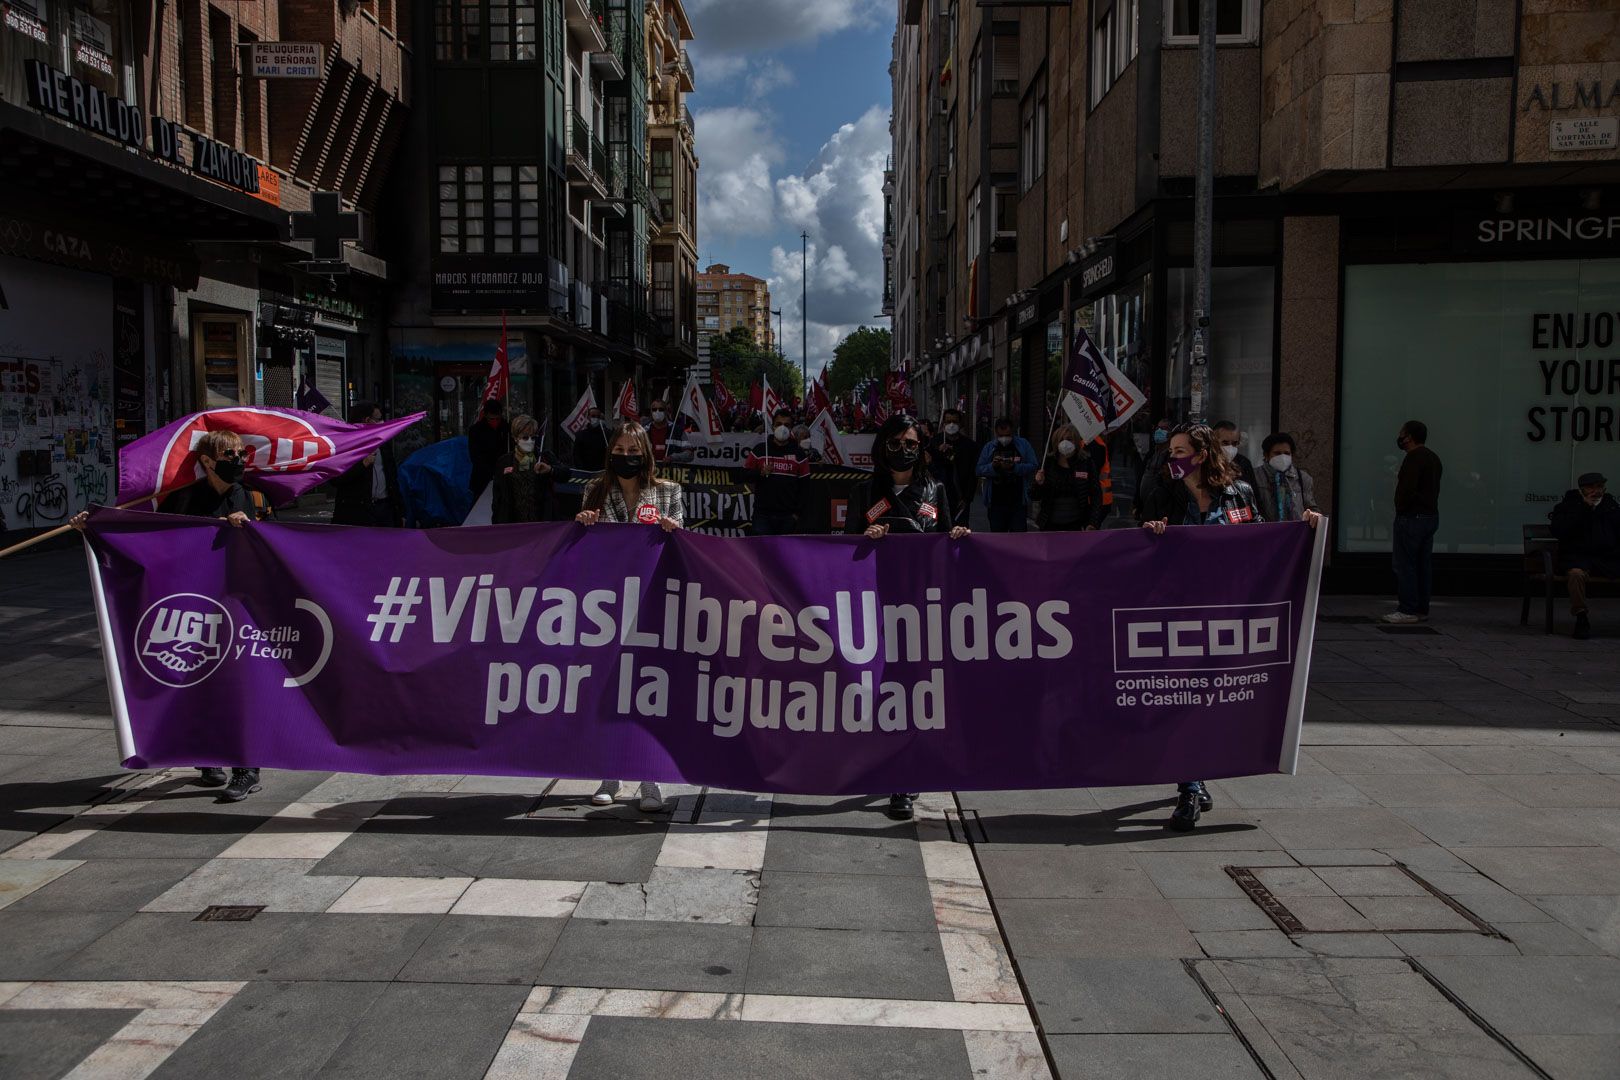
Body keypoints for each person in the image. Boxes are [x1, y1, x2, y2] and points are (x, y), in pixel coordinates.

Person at [1140, 423, 1322, 830]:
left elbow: (1260, 539)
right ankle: (1190, 786)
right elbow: (1142, 552)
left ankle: (1197, 776)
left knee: (1212, 698)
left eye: (1180, 450)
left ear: (1202, 454)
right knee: (1184, 699)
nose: (1173, 458)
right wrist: (1151, 535)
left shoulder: (1238, 492)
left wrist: (1304, 528)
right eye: (1171, 451)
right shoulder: (1163, 492)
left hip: (1227, 615)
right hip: (1179, 617)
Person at [70, 429, 265, 803]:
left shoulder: (249, 496)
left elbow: (264, 547)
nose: (238, 460)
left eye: (242, 453)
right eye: (230, 454)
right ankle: (209, 758)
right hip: (193, 605)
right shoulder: (185, 498)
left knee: (240, 688)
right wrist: (94, 525)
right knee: (198, 681)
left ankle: (246, 768)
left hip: (237, 606)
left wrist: (248, 529)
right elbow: (149, 538)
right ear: (207, 461)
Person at [845, 412, 970, 821]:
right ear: (883, 446)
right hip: (878, 603)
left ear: (921, 448)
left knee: (915, 686)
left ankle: (905, 774)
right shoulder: (866, 492)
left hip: (920, 606)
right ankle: (883, 761)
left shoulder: (935, 487)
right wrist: (867, 539)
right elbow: (845, 549)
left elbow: (948, 537)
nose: (904, 449)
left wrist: (958, 539)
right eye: (896, 442)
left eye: (912, 442)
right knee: (882, 686)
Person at [574, 421, 683, 812]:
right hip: (607, 608)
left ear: (645, 454)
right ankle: (610, 772)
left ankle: (649, 779)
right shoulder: (595, 490)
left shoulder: (669, 491)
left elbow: (683, 544)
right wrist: (584, 523)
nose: (625, 457)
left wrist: (674, 530)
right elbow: (581, 550)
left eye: (631, 450)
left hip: (652, 605)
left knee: (649, 693)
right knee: (609, 690)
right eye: (618, 450)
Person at [1383, 420, 1442, 625]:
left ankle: (1407, 608)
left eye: (1402, 434)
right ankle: (1421, 608)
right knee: (1422, 565)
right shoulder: (1433, 458)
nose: (1400, 438)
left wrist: (1400, 508)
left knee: (1405, 564)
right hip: (1429, 517)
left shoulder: (1413, 458)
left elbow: (1407, 490)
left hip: (1411, 518)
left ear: (1409, 436)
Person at [1549, 472, 1619, 641]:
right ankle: (1581, 616)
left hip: (1607, 558)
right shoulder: (1568, 506)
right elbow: (1560, 531)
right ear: (1582, 490)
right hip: (1577, 557)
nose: (1596, 491)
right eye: (1591, 487)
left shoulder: (1611, 506)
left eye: (1599, 487)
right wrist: (1584, 509)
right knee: (1575, 575)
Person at [332, 401, 400, 527]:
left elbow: (392, 475)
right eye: (378, 419)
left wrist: (400, 510)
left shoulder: (383, 443)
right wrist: (363, 464)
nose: (382, 423)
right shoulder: (346, 445)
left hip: (385, 508)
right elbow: (336, 478)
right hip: (358, 511)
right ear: (367, 420)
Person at [746, 408, 813, 535]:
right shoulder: (760, 450)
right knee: (762, 553)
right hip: (762, 516)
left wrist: (796, 514)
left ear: (791, 428)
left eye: (786, 425)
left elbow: (805, 488)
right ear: (772, 426)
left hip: (788, 517)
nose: (782, 428)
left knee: (785, 554)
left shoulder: (799, 455)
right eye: (778, 424)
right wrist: (760, 472)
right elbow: (743, 475)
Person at [1032, 425, 1105, 531]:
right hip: (1049, 526)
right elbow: (1033, 495)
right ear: (1055, 442)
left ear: (1076, 441)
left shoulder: (1086, 462)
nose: (1065, 443)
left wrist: (1093, 522)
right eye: (1061, 439)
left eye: (1069, 439)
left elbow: (1096, 494)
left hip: (1076, 526)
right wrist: (1038, 484)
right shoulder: (1047, 463)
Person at [490, 414, 557, 524]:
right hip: (513, 524)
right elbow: (497, 497)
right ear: (515, 438)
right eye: (525, 437)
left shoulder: (544, 456)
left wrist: (550, 469)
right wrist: (496, 525)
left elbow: (565, 474)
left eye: (533, 437)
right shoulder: (504, 462)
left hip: (541, 522)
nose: (530, 441)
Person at [976, 418, 1038, 533]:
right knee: (998, 538)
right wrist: (993, 466)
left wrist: (1015, 467)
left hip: (1017, 502)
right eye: (1001, 435)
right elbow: (979, 470)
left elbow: (1033, 465)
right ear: (995, 432)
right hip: (996, 503)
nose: (1004, 438)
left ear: (1013, 432)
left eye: (1008, 435)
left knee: (1018, 538)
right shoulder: (989, 447)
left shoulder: (1023, 445)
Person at [927, 408, 979, 528]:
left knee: (960, 530)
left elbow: (973, 474)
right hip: (938, 495)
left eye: (954, 422)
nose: (951, 425)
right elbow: (929, 468)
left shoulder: (970, 446)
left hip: (960, 497)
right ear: (943, 424)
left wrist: (967, 498)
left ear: (960, 424)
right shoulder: (934, 443)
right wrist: (939, 454)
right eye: (948, 421)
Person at [1253, 432, 1320, 524]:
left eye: (1286, 453)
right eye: (1277, 453)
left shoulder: (1303, 478)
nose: (1282, 457)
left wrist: (1313, 515)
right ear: (1266, 455)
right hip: (1266, 533)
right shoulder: (1255, 476)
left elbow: (1311, 507)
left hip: (1295, 533)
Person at [468, 398, 510, 500]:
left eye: (498, 419)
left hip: (504, 475)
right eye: (492, 419)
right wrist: (491, 472)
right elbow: (475, 456)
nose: (495, 422)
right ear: (486, 415)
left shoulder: (507, 428)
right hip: (482, 478)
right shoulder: (476, 430)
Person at [1212, 420, 1258, 491]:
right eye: (1225, 443)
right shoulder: (1205, 463)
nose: (1230, 447)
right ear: (1214, 441)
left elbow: (1254, 494)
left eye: (1234, 443)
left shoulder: (1243, 463)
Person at [573, 403, 609, 472]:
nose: (595, 418)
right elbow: (576, 455)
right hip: (586, 471)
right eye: (593, 416)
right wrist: (582, 470)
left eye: (598, 416)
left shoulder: (606, 434)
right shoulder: (581, 435)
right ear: (588, 417)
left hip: (602, 471)